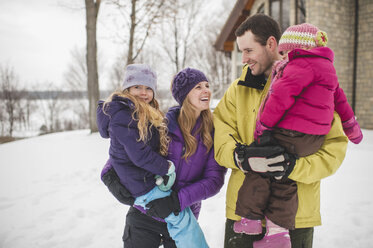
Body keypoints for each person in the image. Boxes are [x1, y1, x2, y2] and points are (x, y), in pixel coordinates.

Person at [213, 14, 348, 248]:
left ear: (271, 44)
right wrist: (241, 158)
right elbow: (219, 135)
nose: (243, 59)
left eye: (248, 51)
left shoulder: (317, 88)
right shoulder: (237, 90)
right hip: (244, 212)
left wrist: (294, 166)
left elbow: (334, 149)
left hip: (296, 216)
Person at [99, 66, 227, 247]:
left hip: (180, 218)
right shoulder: (163, 124)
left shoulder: (213, 133)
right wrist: (108, 175)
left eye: (207, 85)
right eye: (198, 87)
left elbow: (214, 181)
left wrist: (177, 201)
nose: (206, 90)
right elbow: (128, 149)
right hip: (144, 214)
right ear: (184, 95)